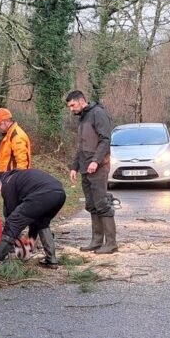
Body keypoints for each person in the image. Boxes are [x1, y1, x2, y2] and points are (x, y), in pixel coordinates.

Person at [65, 90, 117, 254]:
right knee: (92, 205)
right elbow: (81, 147)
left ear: (81, 101)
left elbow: (105, 140)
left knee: (102, 203)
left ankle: (111, 243)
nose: (71, 109)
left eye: (72, 105)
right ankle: (96, 241)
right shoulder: (83, 117)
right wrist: (74, 167)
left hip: (98, 168)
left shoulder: (98, 113)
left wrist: (96, 160)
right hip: (85, 168)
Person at [0, 169, 66, 268]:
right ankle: (51, 260)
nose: (0, 194)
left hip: (43, 194)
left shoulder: (7, 181)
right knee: (41, 223)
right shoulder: (20, 178)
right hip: (59, 194)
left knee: (12, 222)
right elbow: (27, 212)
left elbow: (11, 213)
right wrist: (28, 237)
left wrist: (14, 239)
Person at [0, 108, 32, 172]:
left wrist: (18, 178)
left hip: (14, 177)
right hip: (8, 176)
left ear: (7, 121)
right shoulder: (9, 134)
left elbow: (22, 162)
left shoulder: (17, 136)